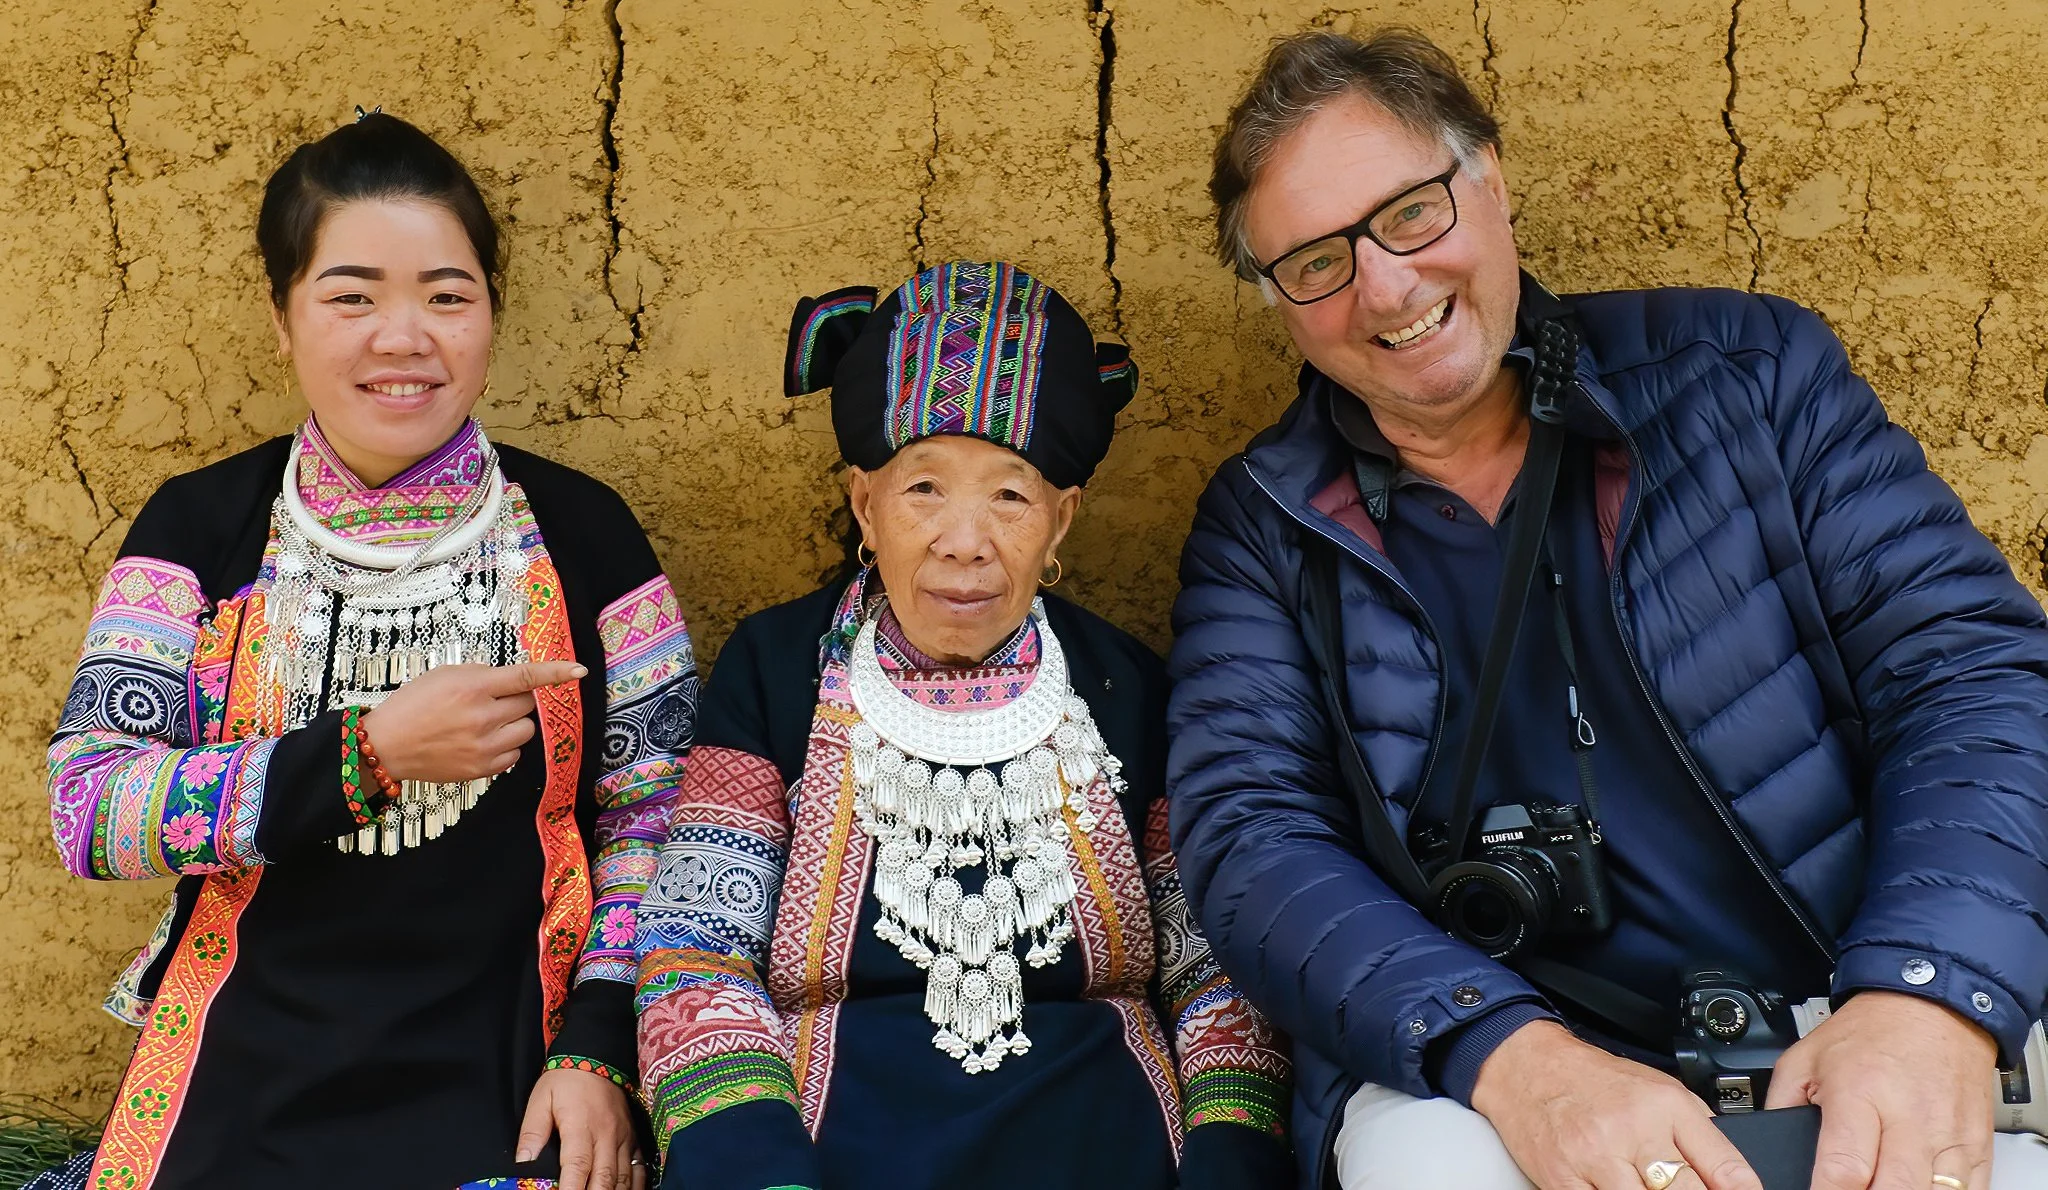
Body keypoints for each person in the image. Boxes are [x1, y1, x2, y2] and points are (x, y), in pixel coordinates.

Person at [1165, 29, 2048, 1190]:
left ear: (1489, 177)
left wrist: (1923, 990)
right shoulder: (1260, 523)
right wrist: (1508, 1055)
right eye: (1314, 262)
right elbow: (1250, 840)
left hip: (1857, 982)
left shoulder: (1746, 374)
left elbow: (1970, 671)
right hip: (1500, 1056)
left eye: (1410, 213)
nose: (1382, 285)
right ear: (1277, 297)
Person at [38, 111, 695, 1190]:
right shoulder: (201, 528)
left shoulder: (585, 534)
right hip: (246, 1061)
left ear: (490, 313)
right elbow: (91, 810)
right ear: (281, 318)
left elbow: (653, 815)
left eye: (447, 295)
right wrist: (368, 752)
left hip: (508, 1056)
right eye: (351, 296)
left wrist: (599, 1047)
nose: (403, 336)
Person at [632, 260, 1293, 1190]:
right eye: (924, 490)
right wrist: (751, 1161)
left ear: (1061, 522)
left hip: (1106, 1141)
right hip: (829, 1153)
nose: (964, 540)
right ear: (866, 505)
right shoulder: (778, 667)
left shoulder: (1129, 686)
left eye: (1011, 496)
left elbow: (1212, 964)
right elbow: (698, 945)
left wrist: (1233, 1153)